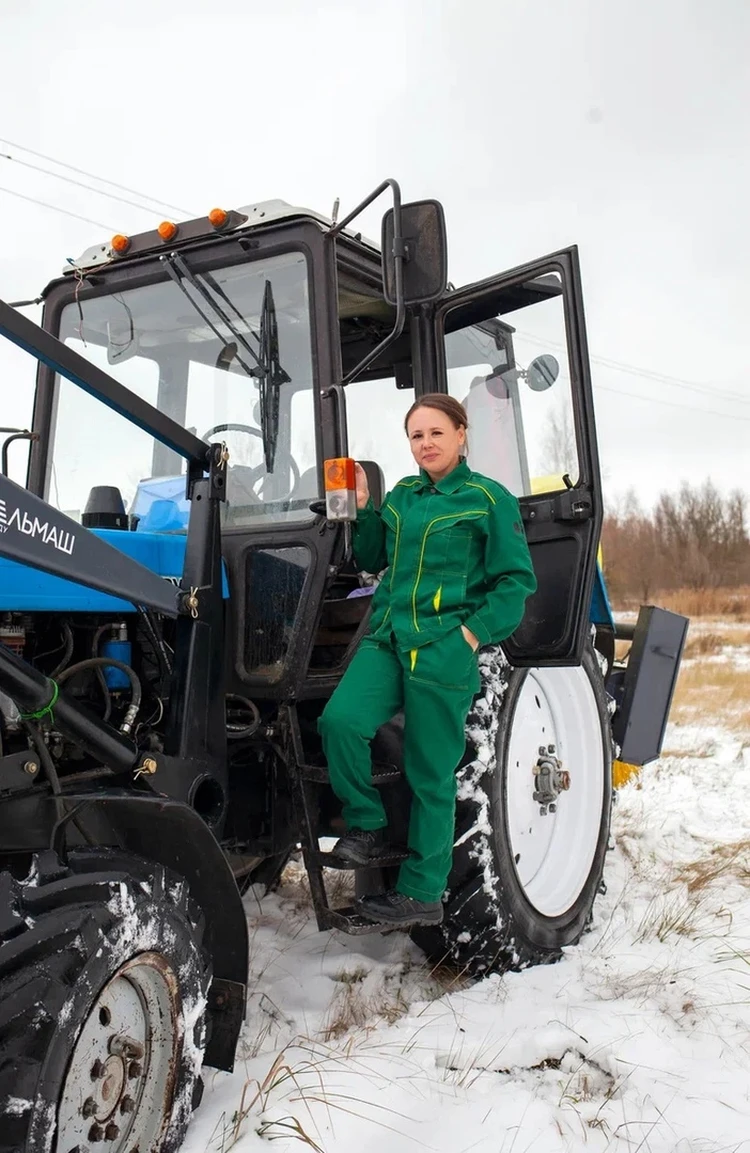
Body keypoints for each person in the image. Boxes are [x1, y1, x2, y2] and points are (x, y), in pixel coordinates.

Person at [317, 393, 537, 928]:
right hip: (389, 637)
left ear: (461, 435)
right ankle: (367, 824)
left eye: (436, 433)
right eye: (417, 436)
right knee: (340, 721)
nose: (426, 444)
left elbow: (515, 583)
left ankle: (420, 892)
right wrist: (366, 508)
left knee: (429, 773)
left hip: (442, 647)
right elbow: (373, 560)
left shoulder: (488, 499)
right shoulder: (403, 498)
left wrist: (469, 636)